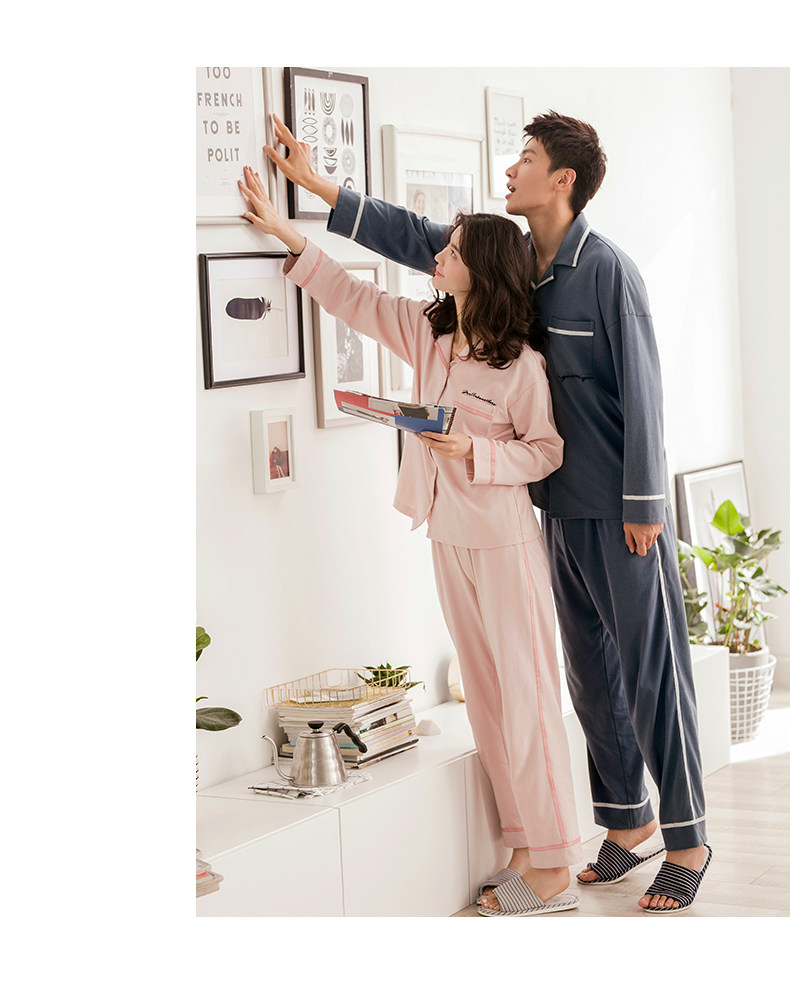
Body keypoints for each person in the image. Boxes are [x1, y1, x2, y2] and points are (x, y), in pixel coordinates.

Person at [262, 109, 713, 915]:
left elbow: (645, 387)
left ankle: (687, 839)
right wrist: (314, 186)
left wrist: (646, 500)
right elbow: (409, 243)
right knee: (588, 675)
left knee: (650, 671)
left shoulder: (606, 270)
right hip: (550, 506)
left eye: (527, 158)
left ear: (563, 179)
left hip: (619, 505)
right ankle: (626, 819)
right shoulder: (513, 260)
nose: (512, 169)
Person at [238, 164, 583, 918]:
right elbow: (353, 297)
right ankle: (523, 844)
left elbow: (547, 451)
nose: (439, 257)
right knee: (487, 700)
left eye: (452, 250)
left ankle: (556, 862)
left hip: (503, 543)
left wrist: (477, 452)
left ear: (480, 270)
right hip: (447, 534)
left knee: (527, 699)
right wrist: (284, 232)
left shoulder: (521, 365)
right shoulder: (431, 334)